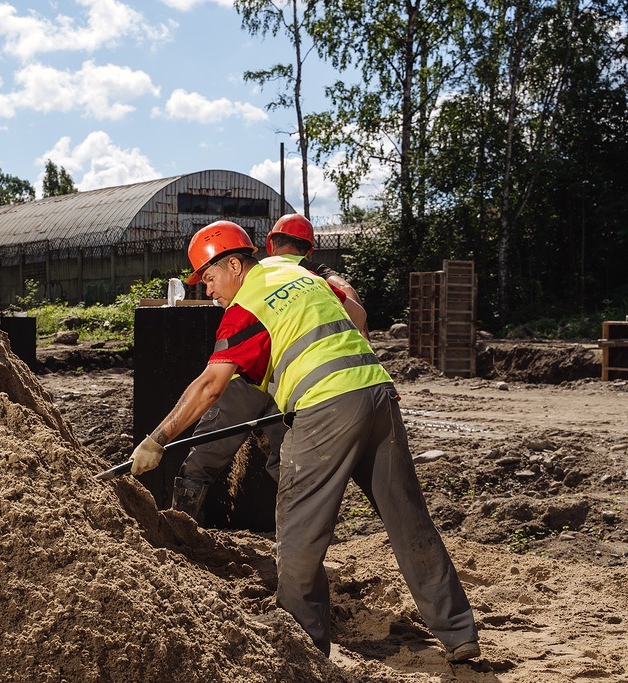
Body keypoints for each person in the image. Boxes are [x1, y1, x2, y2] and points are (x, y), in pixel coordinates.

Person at [131, 220, 479, 662]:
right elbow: (355, 316)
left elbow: (209, 387)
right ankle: (459, 632)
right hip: (377, 394)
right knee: (408, 519)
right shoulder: (300, 275)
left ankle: (302, 650)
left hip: (325, 409)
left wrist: (157, 439)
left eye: (211, 279)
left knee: (297, 539)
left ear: (234, 266)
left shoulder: (245, 309)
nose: (210, 291)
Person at [171, 214, 368, 520]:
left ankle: (180, 522)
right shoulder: (313, 272)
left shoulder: (269, 269)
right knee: (285, 457)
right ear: (311, 248)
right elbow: (353, 302)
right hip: (289, 382)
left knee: (211, 442)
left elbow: (212, 383)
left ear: (270, 244)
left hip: (252, 375)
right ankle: (298, 531)